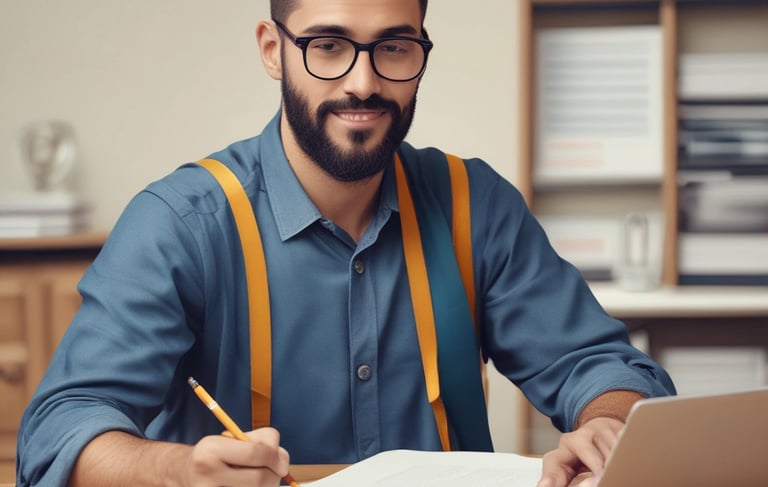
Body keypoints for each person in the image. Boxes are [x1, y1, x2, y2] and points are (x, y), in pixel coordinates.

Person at [16, 1, 675, 486]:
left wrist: (607, 426)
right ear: (272, 49)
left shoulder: (474, 204)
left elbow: (598, 365)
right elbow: (59, 432)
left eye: (393, 46)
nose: (363, 82)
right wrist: (178, 471)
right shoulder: (180, 224)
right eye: (328, 46)